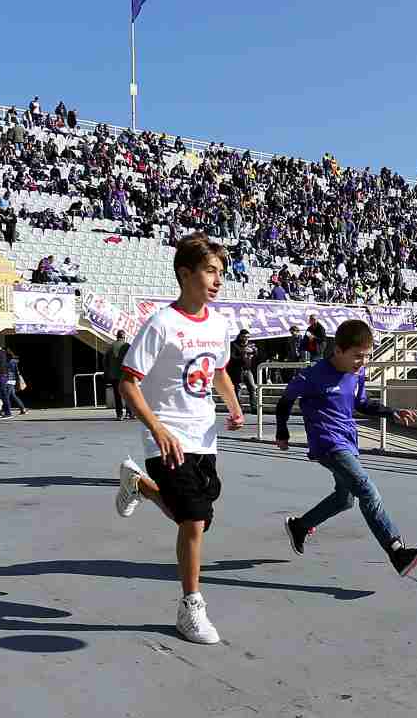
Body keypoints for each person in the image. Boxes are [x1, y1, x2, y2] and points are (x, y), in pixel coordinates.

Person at [112, 233, 245, 644]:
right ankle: (191, 607)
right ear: (185, 274)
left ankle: (139, 485)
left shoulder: (220, 325)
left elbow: (218, 371)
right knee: (193, 519)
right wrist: (157, 428)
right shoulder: (161, 324)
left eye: (221, 273)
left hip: (204, 437)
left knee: (198, 516)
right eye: (210, 271)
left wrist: (235, 406)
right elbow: (128, 383)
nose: (218, 280)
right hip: (166, 437)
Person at [274, 319, 417, 577]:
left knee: (344, 499)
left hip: (347, 440)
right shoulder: (312, 375)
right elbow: (285, 401)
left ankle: (300, 526)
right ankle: (397, 551)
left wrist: (391, 412)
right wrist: (282, 431)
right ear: (338, 351)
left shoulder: (357, 373)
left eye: (367, 356)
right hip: (327, 443)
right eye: (357, 356)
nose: (362, 362)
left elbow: (362, 403)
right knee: (367, 491)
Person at [227, 329, 260, 414]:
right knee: (238, 389)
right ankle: (239, 408)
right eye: (244, 337)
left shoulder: (250, 344)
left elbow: (256, 354)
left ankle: (254, 408)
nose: (246, 339)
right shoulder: (234, 345)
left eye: (248, 337)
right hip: (237, 370)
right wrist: (243, 353)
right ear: (240, 336)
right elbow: (232, 357)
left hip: (247, 370)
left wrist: (254, 351)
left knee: (252, 387)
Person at [105, 329, 131, 420]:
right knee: (128, 394)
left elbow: (105, 361)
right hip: (125, 374)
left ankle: (119, 415)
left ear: (117, 336)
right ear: (124, 337)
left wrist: (107, 372)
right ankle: (129, 413)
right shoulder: (127, 346)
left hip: (114, 375)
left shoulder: (111, 346)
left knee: (117, 395)